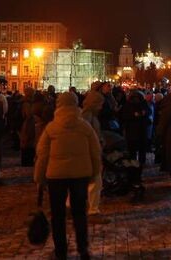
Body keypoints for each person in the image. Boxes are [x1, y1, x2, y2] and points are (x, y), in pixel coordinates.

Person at [35, 91, 99, 260]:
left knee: (58, 215)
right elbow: (95, 152)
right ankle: (83, 249)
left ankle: (61, 250)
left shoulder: (51, 128)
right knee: (79, 213)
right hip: (80, 175)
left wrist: (39, 177)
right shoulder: (85, 126)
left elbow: (42, 155)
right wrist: (95, 173)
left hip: (56, 176)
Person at [80, 82, 109, 224]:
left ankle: (71, 206)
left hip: (89, 153)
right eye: (99, 104)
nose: (101, 107)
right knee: (94, 182)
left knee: (82, 182)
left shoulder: (89, 115)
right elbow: (88, 136)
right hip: (89, 154)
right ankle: (92, 211)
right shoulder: (87, 117)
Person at [19, 87, 45, 167]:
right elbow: (28, 115)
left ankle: (28, 160)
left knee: (28, 142)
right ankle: (27, 161)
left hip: (29, 124)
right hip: (28, 124)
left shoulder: (26, 101)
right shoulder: (26, 103)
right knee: (28, 141)